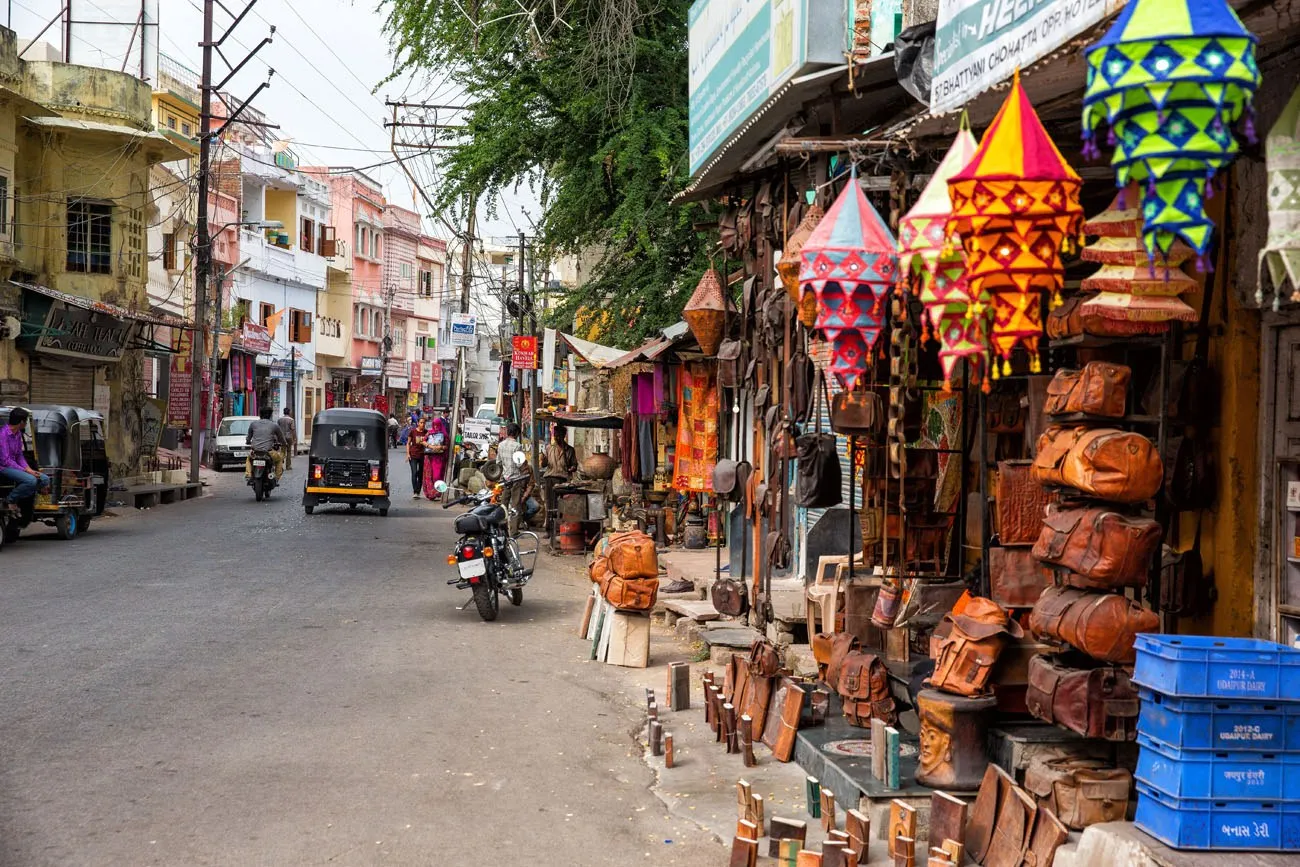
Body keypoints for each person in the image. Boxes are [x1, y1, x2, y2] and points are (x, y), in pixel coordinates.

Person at [0, 407, 48, 514]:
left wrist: (29, 469)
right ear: (21, 422)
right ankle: (9, 500)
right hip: (4, 467)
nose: (25, 423)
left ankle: (22, 498)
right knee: (31, 480)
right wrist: (26, 471)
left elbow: (19, 456)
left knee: (44, 479)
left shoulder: (17, 435)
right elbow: (5, 460)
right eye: (25, 421)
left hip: (15, 466)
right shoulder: (3, 435)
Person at [541, 424, 577, 536]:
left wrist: (571, 468)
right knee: (550, 504)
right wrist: (544, 459)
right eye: (555, 436)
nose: (557, 438)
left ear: (564, 436)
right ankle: (549, 530)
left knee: (562, 505)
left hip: (563, 480)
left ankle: (560, 529)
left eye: (559, 436)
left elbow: (574, 465)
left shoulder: (570, 450)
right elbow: (544, 464)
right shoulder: (548, 448)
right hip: (550, 479)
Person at [245, 406, 287, 480]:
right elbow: (281, 439)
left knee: (249, 459)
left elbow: (248, 438)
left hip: (255, 452)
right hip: (268, 453)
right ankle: (277, 477)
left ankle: (248, 474)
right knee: (279, 459)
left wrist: (248, 442)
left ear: (260, 414)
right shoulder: (274, 425)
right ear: (270, 415)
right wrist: (284, 444)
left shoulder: (253, 424)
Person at [422, 415, 450, 500]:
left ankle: (437, 492)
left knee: (437, 476)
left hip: (439, 459)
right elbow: (422, 441)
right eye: (434, 425)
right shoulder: (429, 433)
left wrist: (440, 447)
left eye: (437, 425)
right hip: (430, 458)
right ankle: (431, 493)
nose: (435, 427)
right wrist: (429, 446)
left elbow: (447, 446)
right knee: (429, 476)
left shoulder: (444, 435)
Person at [406, 416, 428, 499]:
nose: (422, 424)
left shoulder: (426, 432)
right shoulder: (413, 432)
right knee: (414, 472)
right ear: (418, 423)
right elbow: (408, 443)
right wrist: (408, 454)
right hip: (413, 455)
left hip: (423, 455)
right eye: (421, 422)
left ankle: (418, 491)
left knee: (420, 473)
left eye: (424, 423)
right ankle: (415, 491)